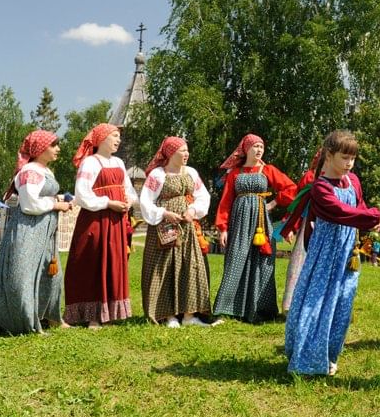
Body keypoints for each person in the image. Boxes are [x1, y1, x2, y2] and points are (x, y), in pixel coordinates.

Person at [284, 130, 380, 375]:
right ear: (329, 155)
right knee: (317, 302)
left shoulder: (354, 181)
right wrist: (374, 216)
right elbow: (340, 212)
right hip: (325, 255)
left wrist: (373, 220)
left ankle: (329, 355)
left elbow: (358, 207)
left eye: (353, 158)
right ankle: (306, 357)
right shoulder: (320, 187)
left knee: (342, 304)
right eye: (344, 157)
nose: (349, 163)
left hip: (348, 254)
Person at [0, 130, 73, 334]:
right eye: (54, 145)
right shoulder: (29, 172)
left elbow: (38, 196)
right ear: (40, 149)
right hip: (27, 230)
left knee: (51, 274)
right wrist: (55, 204)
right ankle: (20, 321)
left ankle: (50, 316)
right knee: (22, 275)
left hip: (44, 232)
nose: (58, 149)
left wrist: (60, 199)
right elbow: (29, 204)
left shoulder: (44, 171)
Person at [214, 134, 297, 322]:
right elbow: (226, 201)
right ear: (246, 149)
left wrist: (274, 203)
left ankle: (261, 309)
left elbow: (291, 188)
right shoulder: (234, 173)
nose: (259, 150)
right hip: (239, 222)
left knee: (262, 262)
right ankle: (228, 307)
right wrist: (223, 228)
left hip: (261, 222)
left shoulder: (268, 170)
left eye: (261, 146)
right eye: (255, 146)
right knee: (236, 259)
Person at [64, 123, 138, 329]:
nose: (118, 140)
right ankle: (92, 316)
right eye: (114, 136)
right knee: (93, 262)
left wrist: (129, 201)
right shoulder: (90, 163)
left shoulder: (119, 162)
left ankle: (111, 312)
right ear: (102, 139)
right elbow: (82, 194)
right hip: (95, 221)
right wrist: (108, 203)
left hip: (115, 222)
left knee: (113, 262)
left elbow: (129, 190)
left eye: (119, 137)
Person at [139, 137, 212, 327]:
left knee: (190, 266)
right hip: (164, 228)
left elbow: (203, 196)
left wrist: (193, 210)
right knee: (165, 267)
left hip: (186, 226)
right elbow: (145, 200)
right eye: (182, 151)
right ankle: (169, 315)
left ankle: (189, 315)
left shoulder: (192, 173)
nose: (186, 154)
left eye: (187, 150)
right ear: (171, 153)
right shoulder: (157, 175)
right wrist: (164, 213)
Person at [280, 148, 322, 314]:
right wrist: (290, 226)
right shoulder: (310, 177)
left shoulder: (339, 179)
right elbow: (298, 203)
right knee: (299, 263)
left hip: (328, 227)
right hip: (308, 225)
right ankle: (290, 305)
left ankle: (315, 306)